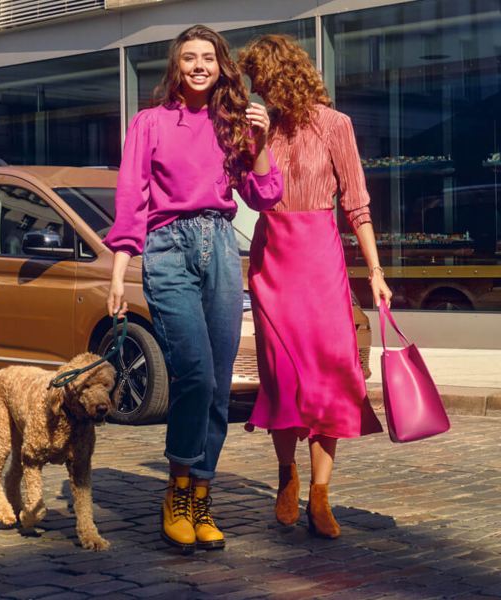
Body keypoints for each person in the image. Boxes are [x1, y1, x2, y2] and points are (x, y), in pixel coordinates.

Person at [105, 25, 283, 553]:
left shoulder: (233, 123)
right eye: (190, 58)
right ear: (176, 66)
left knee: (218, 382)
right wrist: (119, 272)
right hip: (167, 249)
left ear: (220, 64)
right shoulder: (150, 122)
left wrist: (264, 141)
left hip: (221, 248)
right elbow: (130, 199)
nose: (200, 65)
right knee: (195, 373)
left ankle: (201, 495)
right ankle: (178, 491)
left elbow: (265, 194)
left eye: (208, 57)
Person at [238, 35, 392, 538]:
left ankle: (321, 495)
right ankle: (287, 476)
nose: (255, 89)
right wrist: (254, 144)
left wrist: (375, 272)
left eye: (259, 78)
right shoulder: (256, 129)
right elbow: (255, 197)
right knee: (282, 377)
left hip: (321, 260)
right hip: (272, 260)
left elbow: (358, 204)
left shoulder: (335, 125)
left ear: (282, 74)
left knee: (328, 377)